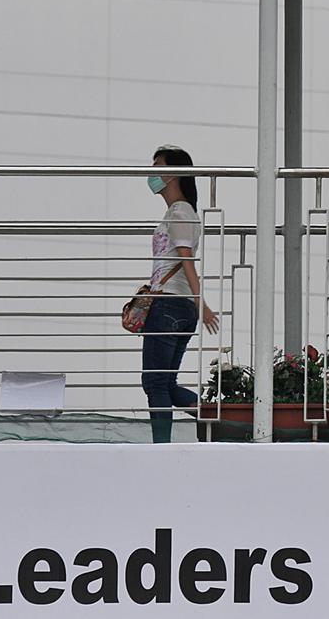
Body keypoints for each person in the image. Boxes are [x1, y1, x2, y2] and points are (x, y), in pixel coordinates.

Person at [142, 145, 219, 443]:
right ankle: (215, 418)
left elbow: (187, 261)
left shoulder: (180, 211)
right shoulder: (179, 211)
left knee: (155, 383)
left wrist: (202, 304)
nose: (151, 173)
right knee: (164, 383)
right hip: (176, 306)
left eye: (157, 166)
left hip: (169, 306)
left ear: (173, 174)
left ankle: (161, 447)